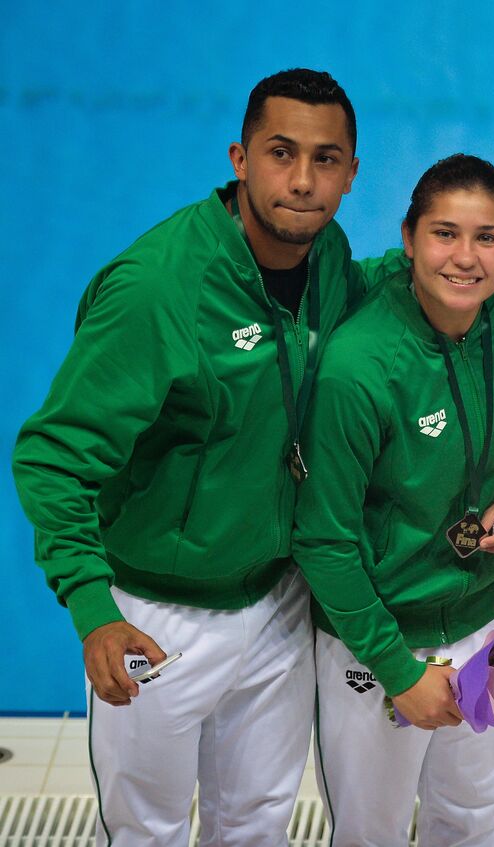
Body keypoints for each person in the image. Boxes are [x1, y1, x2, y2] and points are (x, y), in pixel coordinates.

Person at [11, 68, 361, 846]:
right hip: (156, 617)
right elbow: (53, 454)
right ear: (240, 158)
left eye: (326, 159)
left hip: (277, 596)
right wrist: (93, 609)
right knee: (148, 831)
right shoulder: (157, 290)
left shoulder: (332, 258)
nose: (303, 181)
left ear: (351, 173)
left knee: (259, 823)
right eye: (281, 153)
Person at [291, 153, 494, 845]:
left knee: (477, 812)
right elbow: (323, 541)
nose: (466, 258)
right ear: (407, 237)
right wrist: (398, 670)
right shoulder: (359, 367)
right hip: (380, 642)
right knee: (372, 829)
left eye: (487, 237)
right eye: (444, 234)